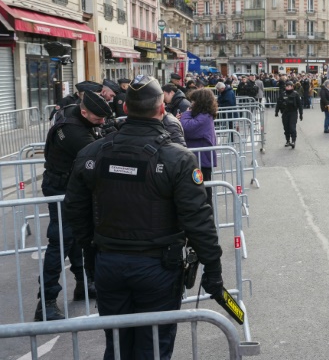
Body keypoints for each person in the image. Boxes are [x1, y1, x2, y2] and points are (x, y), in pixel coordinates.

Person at [64, 75, 224, 360]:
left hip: (111, 262)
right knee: (152, 347)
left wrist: (91, 254)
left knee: (117, 345)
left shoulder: (93, 152)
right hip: (156, 267)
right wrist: (213, 269)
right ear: (162, 109)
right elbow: (198, 221)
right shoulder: (178, 158)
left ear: (125, 109)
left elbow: (75, 211)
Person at [35, 91, 112, 321]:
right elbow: (99, 154)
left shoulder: (74, 114)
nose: (103, 122)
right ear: (85, 111)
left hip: (71, 186)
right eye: (99, 119)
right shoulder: (74, 132)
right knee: (60, 240)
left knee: (78, 237)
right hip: (61, 188)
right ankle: (46, 302)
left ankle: (83, 284)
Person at [180, 88, 218, 206]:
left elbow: (187, 128)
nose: (192, 104)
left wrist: (185, 114)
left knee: (203, 192)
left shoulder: (204, 117)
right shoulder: (204, 115)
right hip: (200, 159)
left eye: (194, 102)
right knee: (202, 190)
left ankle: (207, 218)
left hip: (202, 160)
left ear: (200, 102)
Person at [275, 80, 303, 147]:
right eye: (287, 86)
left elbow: (299, 105)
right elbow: (278, 103)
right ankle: (287, 141)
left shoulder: (295, 94)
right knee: (286, 128)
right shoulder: (283, 94)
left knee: (292, 127)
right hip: (285, 113)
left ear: (292, 87)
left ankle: (293, 141)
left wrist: (301, 114)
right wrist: (276, 111)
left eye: (289, 86)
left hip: (293, 112)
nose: (288, 87)